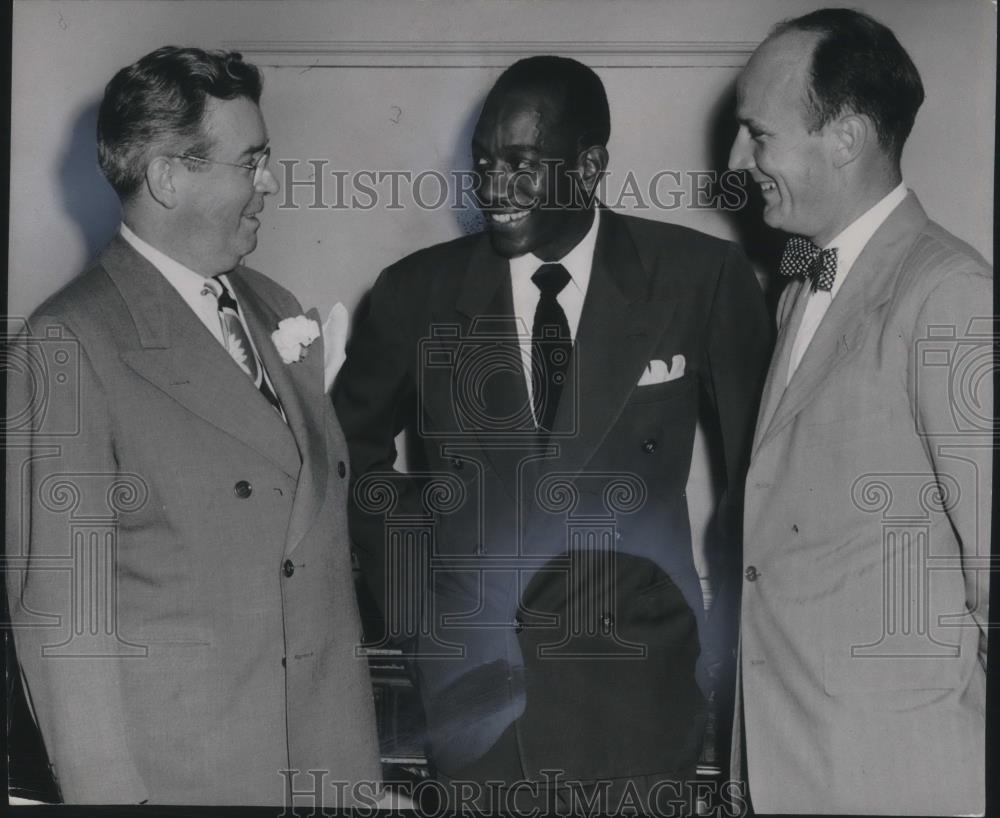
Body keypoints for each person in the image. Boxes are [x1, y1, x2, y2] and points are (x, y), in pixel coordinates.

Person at [335, 55, 770, 811]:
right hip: (476, 693)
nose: (494, 189)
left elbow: (758, 486)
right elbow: (348, 460)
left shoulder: (699, 276)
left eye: (522, 164)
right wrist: (419, 617)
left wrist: (726, 666)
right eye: (482, 162)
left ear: (591, 164)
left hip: (639, 690)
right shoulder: (414, 293)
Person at [4, 46, 380, 806]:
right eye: (252, 162)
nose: (270, 183)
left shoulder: (274, 305)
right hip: (191, 782)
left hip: (324, 771)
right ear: (169, 176)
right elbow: (62, 620)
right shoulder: (69, 343)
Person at [728, 9, 991, 815]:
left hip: (894, 775)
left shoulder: (948, 292)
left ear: (843, 137)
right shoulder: (802, 281)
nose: (736, 162)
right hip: (781, 761)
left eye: (757, 135)